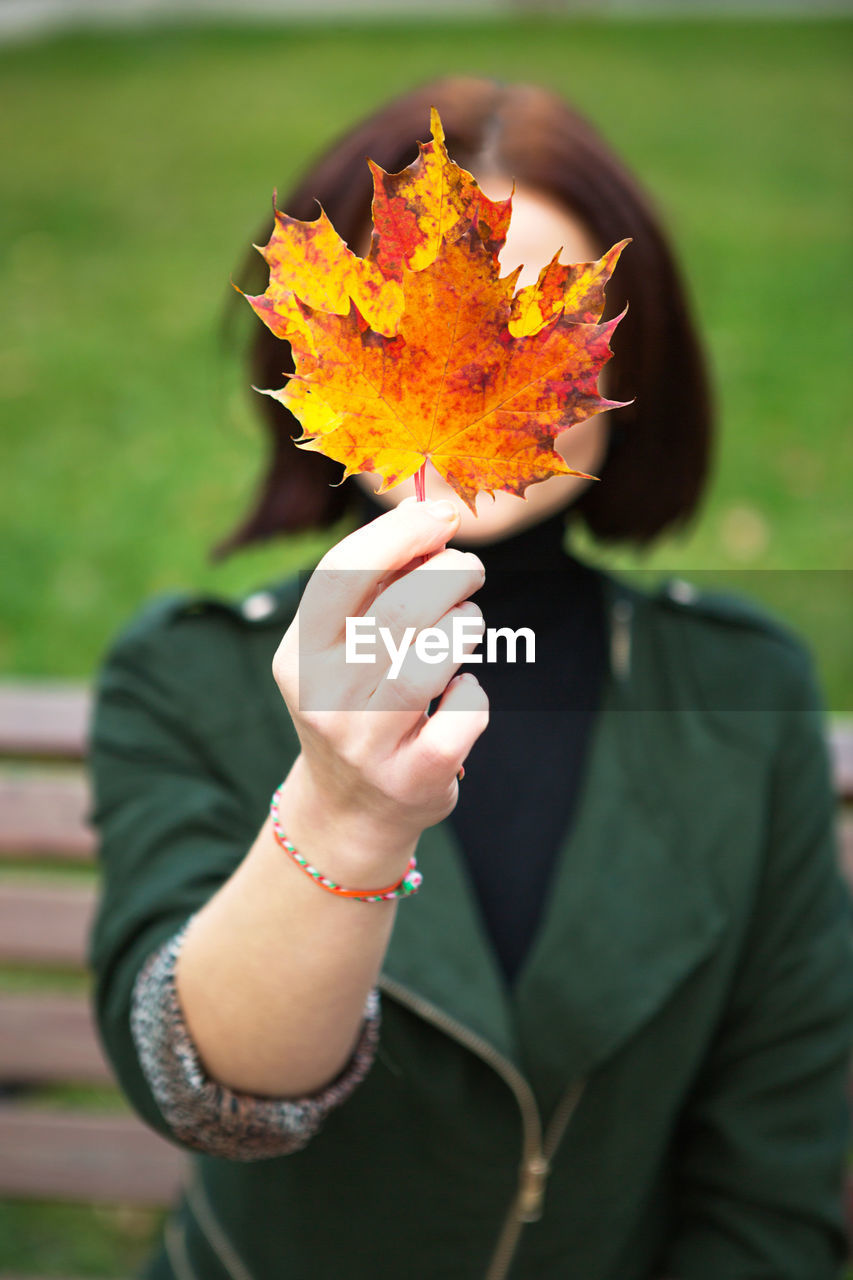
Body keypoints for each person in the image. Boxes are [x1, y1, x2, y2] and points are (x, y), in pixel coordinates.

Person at [88, 78, 853, 1280]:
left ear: (622, 354)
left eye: (527, 326)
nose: (461, 373)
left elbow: (772, 1182)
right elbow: (201, 1091)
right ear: (319, 345)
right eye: (409, 335)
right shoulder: (188, 670)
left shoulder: (737, 692)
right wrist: (343, 814)